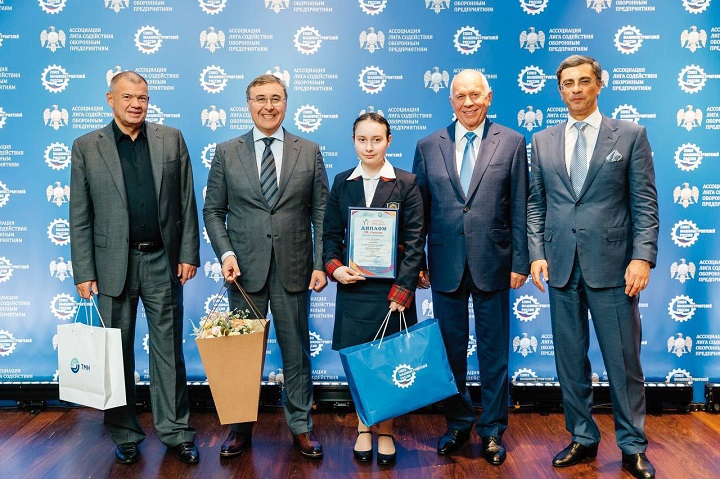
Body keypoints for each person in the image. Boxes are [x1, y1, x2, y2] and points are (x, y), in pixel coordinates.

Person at [527, 55, 658, 479]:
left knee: (623, 361)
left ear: (599, 85)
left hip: (615, 267)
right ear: (560, 90)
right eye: (568, 83)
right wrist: (536, 253)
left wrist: (642, 257)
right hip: (561, 265)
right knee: (569, 361)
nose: (576, 89)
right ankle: (582, 437)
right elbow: (537, 203)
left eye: (584, 81)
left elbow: (645, 204)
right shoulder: (542, 140)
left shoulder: (631, 135)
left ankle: (632, 446)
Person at [69, 71, 200, 465]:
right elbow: (80, 215)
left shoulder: (171, 139)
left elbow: (186, 200)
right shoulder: (86, 147)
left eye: (142, 97)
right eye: (127, 97)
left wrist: (188, 253)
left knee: (169, 350)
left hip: (162, 260)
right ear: (110, 99)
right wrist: (84, 271)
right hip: (112, 264)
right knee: (115, 353)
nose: (136, 104)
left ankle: (176, 431)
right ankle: (124, 433)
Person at [203, 74, 329, 460]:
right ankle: (239, 428)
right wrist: (226, 254)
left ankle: (301, 426)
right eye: (260, 99)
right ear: (248, 105)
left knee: (297, 353)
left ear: (285, 104)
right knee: (241, 353)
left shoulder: (309, 151)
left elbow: (321, 212)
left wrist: (320, 263)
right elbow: (213, 211)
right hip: (244, 272)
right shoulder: (227, 152)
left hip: (294, 267)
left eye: (275, 98)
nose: (268, 106)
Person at [412, 69, 528, 465]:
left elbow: (520, 207)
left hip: (495, 263)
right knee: (450, 351)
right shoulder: (428, 145)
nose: (468, 102)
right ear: (451, 101)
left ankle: (493, 430)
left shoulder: (512, 142)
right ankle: (459, 423)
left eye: (475, 94)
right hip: (444, 263)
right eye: (460, 96)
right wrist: (418, 261)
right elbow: (419, 212)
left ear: (489, 97)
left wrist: (520, 261)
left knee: (494, 352)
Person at [323, 112, 425, 465]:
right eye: (362, 140)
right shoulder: (342, 182)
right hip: (354, 287)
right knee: (358, 363)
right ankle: (364, 425)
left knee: (390, 361)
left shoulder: (407, 182)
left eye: (376, 140)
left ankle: (387, 431)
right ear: (353, 141)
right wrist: (335, 269)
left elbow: (416, 241)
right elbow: (330, 235)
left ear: (388, 141)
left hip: (392, 292)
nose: (369, 147)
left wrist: (403, 290)